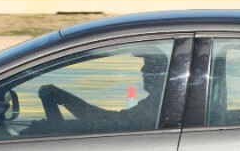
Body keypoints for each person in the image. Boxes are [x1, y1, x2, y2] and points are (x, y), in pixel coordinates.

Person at [37, 54, 166, 132]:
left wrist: (66, 98)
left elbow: (113, 123)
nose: (143, 69)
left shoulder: (161, 104)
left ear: (166, 73)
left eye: (152, 65)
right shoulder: (160, 102)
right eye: (146, 64)